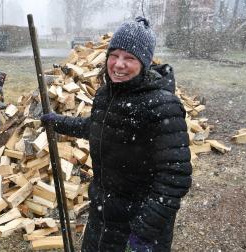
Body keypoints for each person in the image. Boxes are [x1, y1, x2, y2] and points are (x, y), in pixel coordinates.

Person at [41, 17, 192, 251]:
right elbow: (95, 127)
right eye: (114, 55)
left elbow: (174, 178)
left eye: (129, 58)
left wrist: (144, 231)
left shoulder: (162, 106)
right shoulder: (106, 95)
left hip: (136, 226)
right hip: (102, 214)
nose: (119, 64)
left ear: (145, 62)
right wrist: (57, 122)